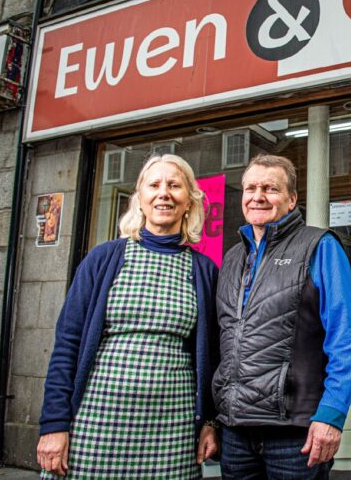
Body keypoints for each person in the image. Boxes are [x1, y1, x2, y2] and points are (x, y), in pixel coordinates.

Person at [36, 154, 220, 478]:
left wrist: (209, 422)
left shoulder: (204, 271)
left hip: (172, 430)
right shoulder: (104, 258)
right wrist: (53, 424)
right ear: (140, 199)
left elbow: (212, 356)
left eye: (174, 185)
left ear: (190, 200)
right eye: (154, 185)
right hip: (94, 422)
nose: (164, 193)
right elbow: (67, 344)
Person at [213, 154, 351, 479]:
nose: (258, 196)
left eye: (270, 188)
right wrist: (213, 418)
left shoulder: (320, 246)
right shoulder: (233, 256)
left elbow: (344, 338)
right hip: (236, 431)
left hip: (296, 433)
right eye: (250, 188)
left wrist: (332, 415)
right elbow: (221, 340)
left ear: (292, 199)